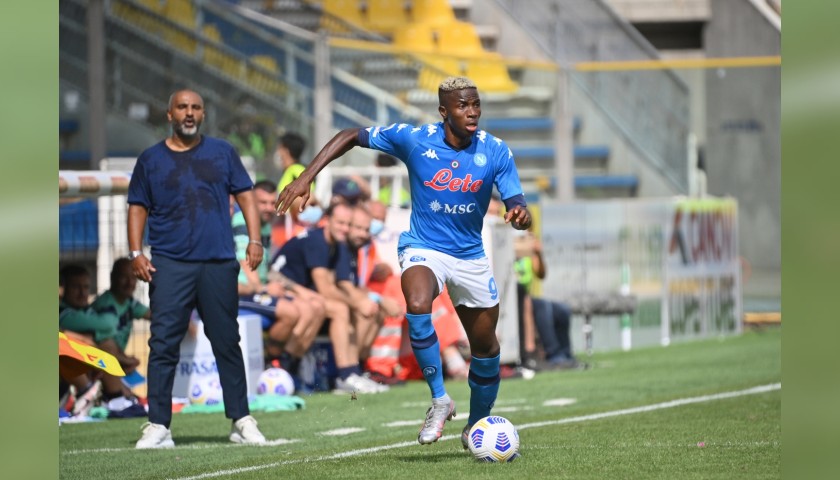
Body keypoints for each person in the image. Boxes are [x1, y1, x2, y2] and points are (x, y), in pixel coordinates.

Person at [274, 76, 532, 448]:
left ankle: (476, 426)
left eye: (476, 104)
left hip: (469, 256)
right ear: (444, 111)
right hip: (423, 247)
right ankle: (440, 399)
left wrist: (521, 213)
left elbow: (516, 201)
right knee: (416, 302)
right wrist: (306, 178)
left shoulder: (495, 150)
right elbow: (350, 134)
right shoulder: (415, 139)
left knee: (487, 349)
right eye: (463, 105)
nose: (472, 112)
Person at [127, 89, 266, 448]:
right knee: (163, 345)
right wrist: (134, 252)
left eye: (196, 108)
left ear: (203, 114)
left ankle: (241, 420)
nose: (189, 113)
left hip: (218, 262)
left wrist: (255, 240)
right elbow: (137, 206)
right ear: (169, 114)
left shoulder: (223, 152)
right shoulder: (150, 159)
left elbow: (247, 195)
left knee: (226, 343)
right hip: (169, 264)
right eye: (182, 107)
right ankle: (159, 425)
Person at [269, 201, 388, 394]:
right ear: (327, 220)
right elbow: (325, 288)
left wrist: (367, 301)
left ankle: (352, 371)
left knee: (345, 308)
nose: (345, 228)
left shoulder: (336, 244)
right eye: (340, 223)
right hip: (279, 289)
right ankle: (345, 375)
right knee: (340, 309)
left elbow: (338, 286)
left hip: (301, 293)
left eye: (348, 224)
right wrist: (359, 302)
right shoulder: (318, 241)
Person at [233, 179, 326, 372]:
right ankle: (271, 362)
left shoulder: (265, 225)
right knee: (292, 312)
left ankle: (288, 365)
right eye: (262, 203)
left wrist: (300, 291)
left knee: (315, 307)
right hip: (240, 292)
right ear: (251, 202)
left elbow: (267, 270)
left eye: (271, 202)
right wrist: (265, 289)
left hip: (257, 289)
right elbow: (246, 261)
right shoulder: (243, 221)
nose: (268, 208)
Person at [59, 265, 138, 415]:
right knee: (104, 344)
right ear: (63, 288)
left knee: (103, 343)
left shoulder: (85, 310)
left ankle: (113, 395)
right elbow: (109, 325)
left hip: (81, 373)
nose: (83, 293)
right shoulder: (63, 312)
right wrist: (123, 359)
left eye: (86, 287)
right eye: (76, 287)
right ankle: (102, 395)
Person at [514, 231, 578, 369]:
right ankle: (553, 354)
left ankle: (566, 354)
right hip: (513, 299)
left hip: (527, 297)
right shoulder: (508, 244)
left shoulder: (528, 251)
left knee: (562, 310)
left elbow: (541, 274)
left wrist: (537, 253)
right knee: (543, 306)